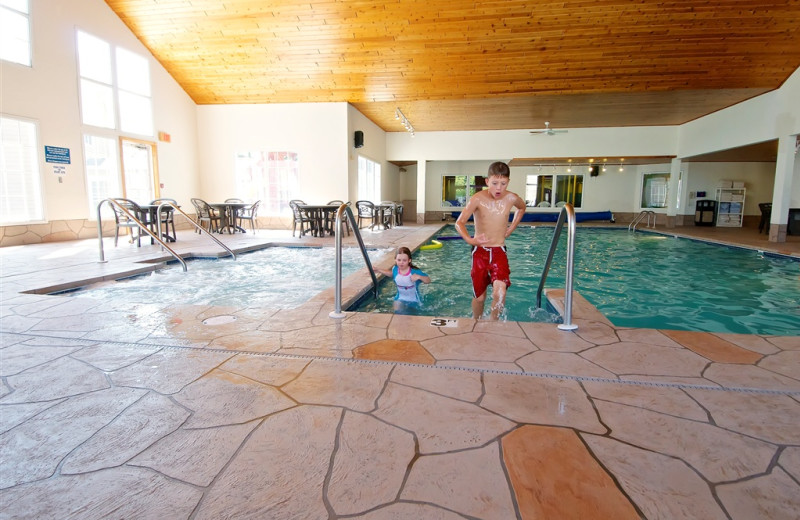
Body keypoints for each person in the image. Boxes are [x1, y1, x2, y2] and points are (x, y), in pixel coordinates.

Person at [454, 161, 526, 320]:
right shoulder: (477, 199)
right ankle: (476, 321)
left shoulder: (511, 198)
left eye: (503, 183)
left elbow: (522, 208)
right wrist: (470, 240)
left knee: (500, 293)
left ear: (508, 182)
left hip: (499, 250)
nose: (499, 188)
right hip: (480, 252)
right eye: (494, 183)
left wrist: (511, 228)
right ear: (487, 182)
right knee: (480, 298)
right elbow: (459, 223)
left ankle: (493, 323)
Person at [376, 246, 431, 311]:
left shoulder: (414, 271)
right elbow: (392, 274)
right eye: (399, 260)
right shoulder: (395, 269)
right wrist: (378, 270)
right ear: (395, 260)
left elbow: (428, 280)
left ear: (409, 260)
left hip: (414, 300)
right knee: (397, 314)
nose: (401, 262)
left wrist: (419, 277)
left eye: (404, 260)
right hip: (399, 299)